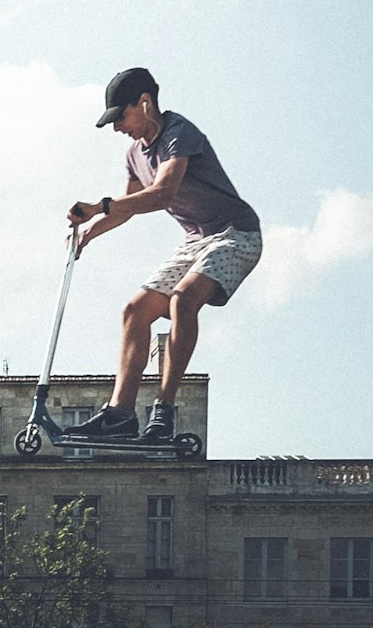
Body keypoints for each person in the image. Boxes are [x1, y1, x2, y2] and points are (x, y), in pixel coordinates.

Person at [66, 67, 261, 441]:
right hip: (195, 241)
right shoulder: (133, 155)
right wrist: (88, 233)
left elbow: (162, 194)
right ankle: (120, 415)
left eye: (120, 117)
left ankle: (164, 412)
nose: (117, 128)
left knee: (183, 300)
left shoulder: (179, 134)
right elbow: (127, 206)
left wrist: (98, 206)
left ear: (144, 103)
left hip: (237, 234)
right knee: (135, 311)